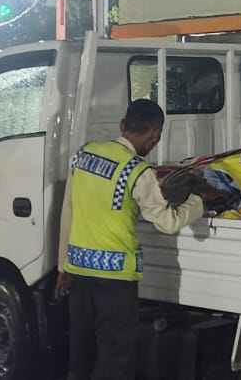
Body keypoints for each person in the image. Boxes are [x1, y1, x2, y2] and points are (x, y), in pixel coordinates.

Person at [54, 99, 214, 379]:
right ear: (156, 135)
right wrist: (198, 200)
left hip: (78, 273)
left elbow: (67, 211)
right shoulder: (138, 171)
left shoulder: (83, 155)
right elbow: (167, 222)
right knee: (113, 358)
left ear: (122, 125)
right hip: (115, 281)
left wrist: (62, 266)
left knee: (80, 353)